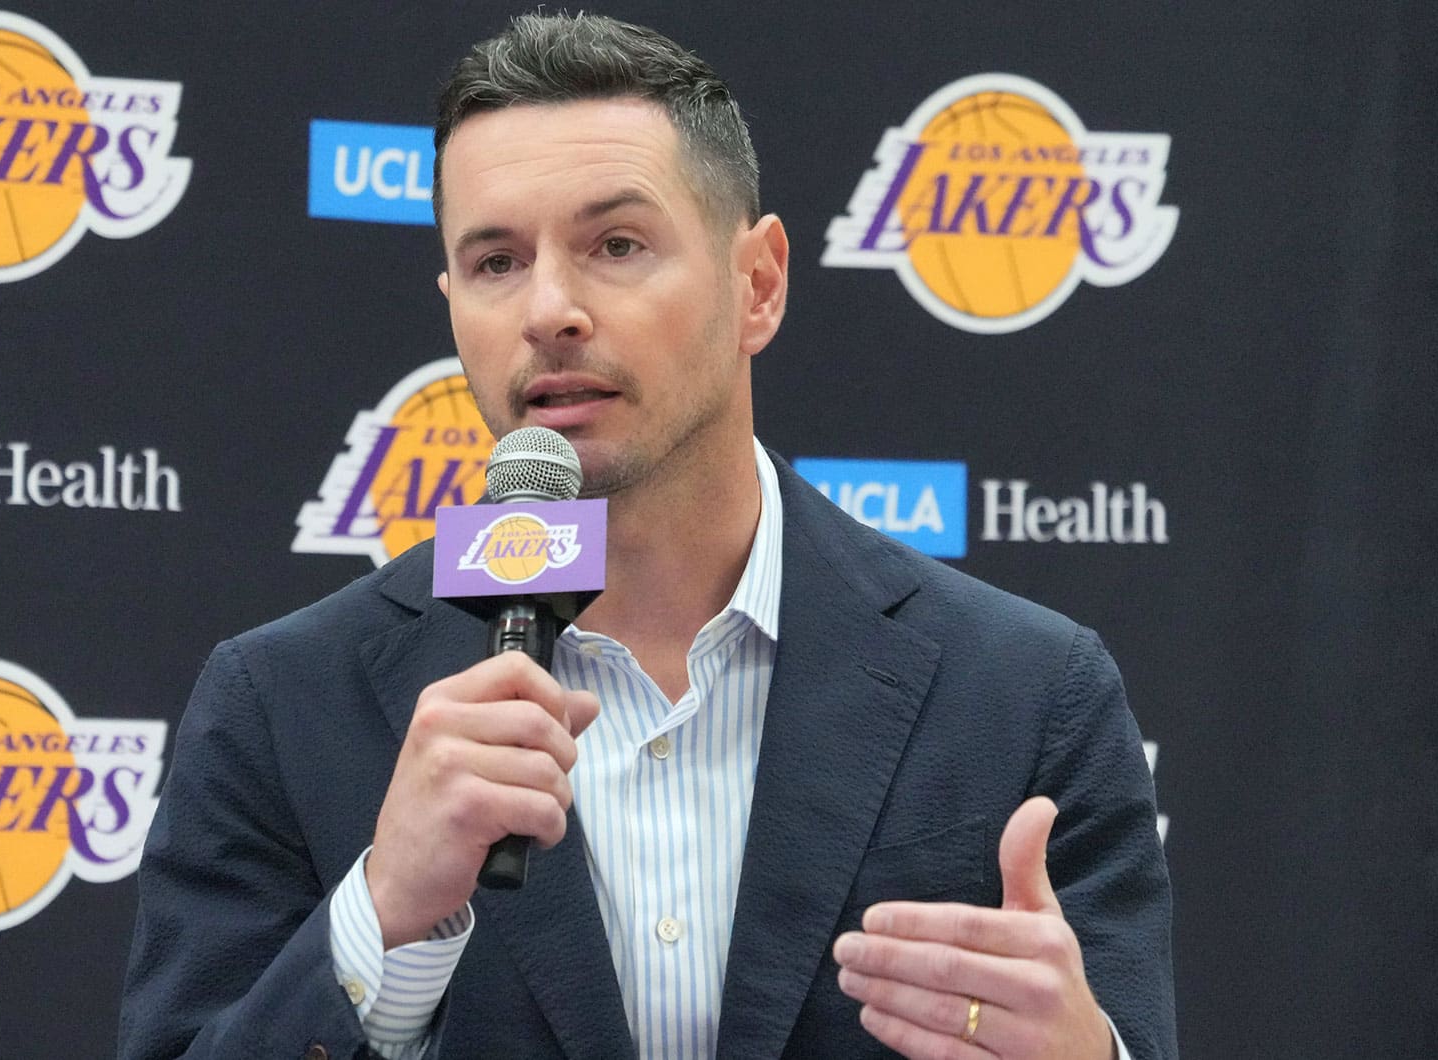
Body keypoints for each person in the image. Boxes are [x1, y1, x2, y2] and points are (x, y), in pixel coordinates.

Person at [119, 13, 1174, 1059]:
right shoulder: (283, 705)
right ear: (449, 302)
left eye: (615, 245)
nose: (549, 309)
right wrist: (382, 912)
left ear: (757, 283)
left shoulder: (1030, 693)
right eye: (494, 261)